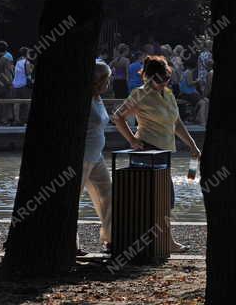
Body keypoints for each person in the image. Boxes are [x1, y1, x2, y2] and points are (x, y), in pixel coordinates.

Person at [111, 55, 201, 252]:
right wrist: (132, 140)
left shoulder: (168, 93)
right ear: (146, 77)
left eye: (166, 79)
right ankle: (162, 241)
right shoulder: (139, 94)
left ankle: (162, 240)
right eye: (158, 80)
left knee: (166, 199)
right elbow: (117, 117)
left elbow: (176, 122)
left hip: (165, 151)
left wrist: (192, 144)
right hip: (147, 151)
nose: (162, 84)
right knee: (156, 198)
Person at [78, 61, 113, 254]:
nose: (109, 83)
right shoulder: (84, 99)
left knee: (108, 193)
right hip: (83, 157)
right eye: (107, 79)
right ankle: (70, 243)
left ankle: (110, 238)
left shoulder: (98, 98)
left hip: (96, 156)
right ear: (98, 80)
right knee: (72, 199)